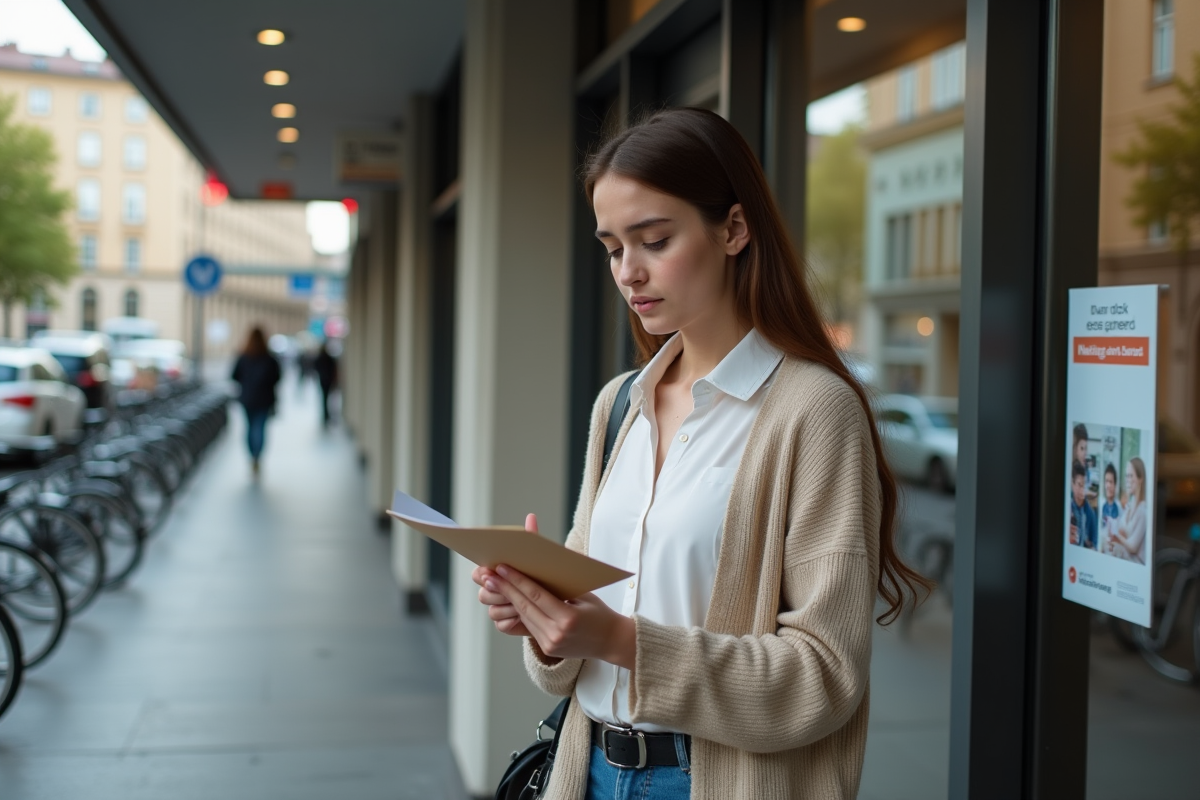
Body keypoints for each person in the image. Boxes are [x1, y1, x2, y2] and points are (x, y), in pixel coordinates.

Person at [472, 108, 930, 800]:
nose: (630, 271)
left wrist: (622, 641)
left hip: (710, 781)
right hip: (586, 769)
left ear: (734, 230)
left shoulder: (813, 410)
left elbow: (826, 675)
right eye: (612, 247)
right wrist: (543, 621)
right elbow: (570, 660)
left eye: (653, 239)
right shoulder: (619, 404)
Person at [231, 326, 281, 476]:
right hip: (264, 399)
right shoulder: (269, 358)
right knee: (260, 428)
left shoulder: (243, 356)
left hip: (247, 398)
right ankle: (257, 456)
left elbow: (234, 376)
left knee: (249, 427)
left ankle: (251, 455)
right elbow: (277, 378)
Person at [1109, 457, 1147, 563]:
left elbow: (1133, 546)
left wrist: (1118, 537)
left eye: (1131, 476)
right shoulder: (1129, 507)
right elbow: (1121, 530)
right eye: (1126, 476)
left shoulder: (1143, 510)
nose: (1128, 480)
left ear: (1140, 479)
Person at [1069, 460, 1098, 549]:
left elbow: (1094, 544)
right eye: (1079, 485)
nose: (1082, 489)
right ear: (1072, 484)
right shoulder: (1068, 509)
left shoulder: (1090, 513)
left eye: (1084, 485)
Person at [313, 342, 339, 426]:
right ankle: (326, 415)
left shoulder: (320, 358)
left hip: (323, 380)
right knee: (327, 398)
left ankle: (325, 415)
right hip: (328, 380)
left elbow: (316, 367)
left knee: (324, 398)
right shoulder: (329, 358)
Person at [1099, 463, 1122, 552]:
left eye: (1111, 482)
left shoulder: (1119, 508)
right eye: (1106, 481)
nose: (1108, 485)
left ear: (1115, 484)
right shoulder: (1101, 506)